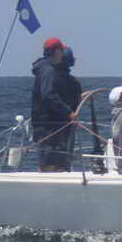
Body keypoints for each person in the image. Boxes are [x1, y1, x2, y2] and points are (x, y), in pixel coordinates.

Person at [31, 38, 83, 172]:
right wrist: (69, 112)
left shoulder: (45, 69)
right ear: (58, 52)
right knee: (49, 165)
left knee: (57, 164)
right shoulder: (48, 71)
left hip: (52, 126)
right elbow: (48, 95)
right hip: (49, 127)